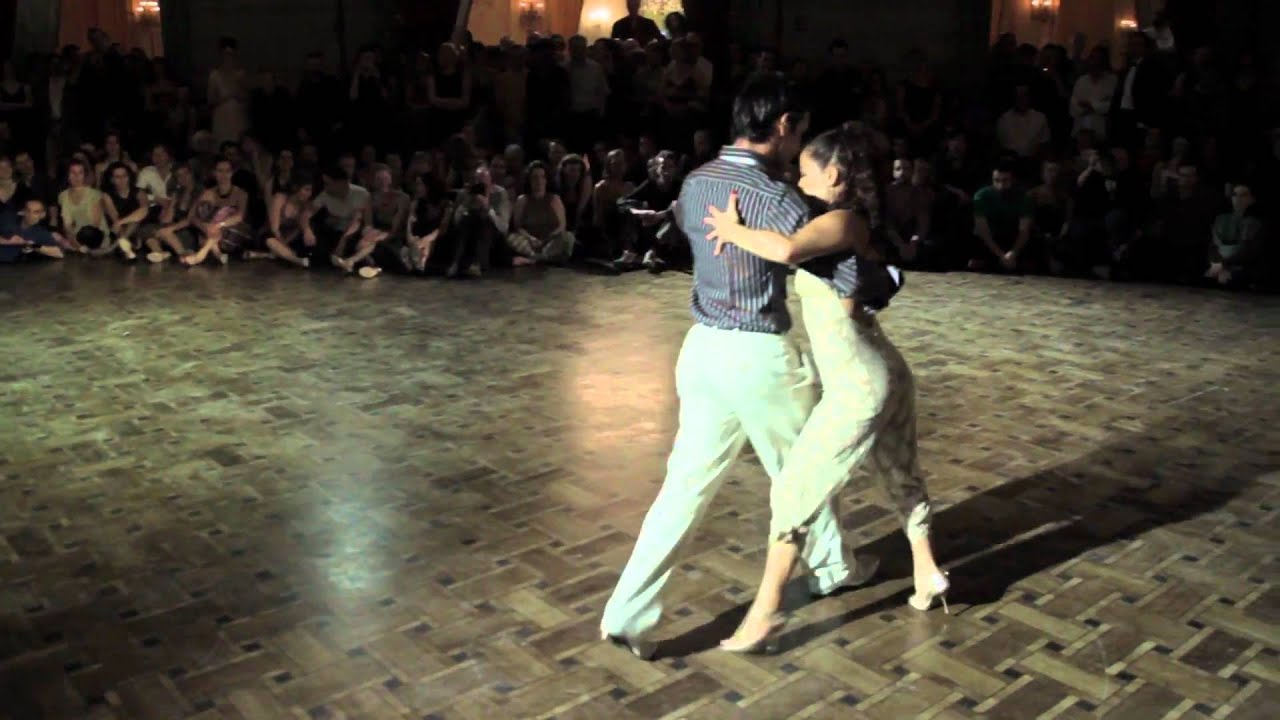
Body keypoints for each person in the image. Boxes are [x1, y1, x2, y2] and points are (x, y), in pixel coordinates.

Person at [599, 73, 871, 661]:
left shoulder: (696, 182)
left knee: (684, 488)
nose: (800, 146)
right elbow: (845, 274)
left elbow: (691, 236)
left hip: (701, 350)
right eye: (800, 131)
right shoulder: (778, 198)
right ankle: (832, 567)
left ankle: (625, 613)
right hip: (759, 355)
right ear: (783, 125)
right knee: (804, 472)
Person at [702, 124, 946, 653]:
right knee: (900, 472)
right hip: (883, 367)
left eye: (805, 172)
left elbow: (787, 250)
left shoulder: (841, 221)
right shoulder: (851, 226)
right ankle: (927, 572)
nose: (798, 180)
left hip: (859, 383)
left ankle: (764, 614)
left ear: (833, 175)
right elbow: (851, 300)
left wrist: (731, 229)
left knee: (794, 490)